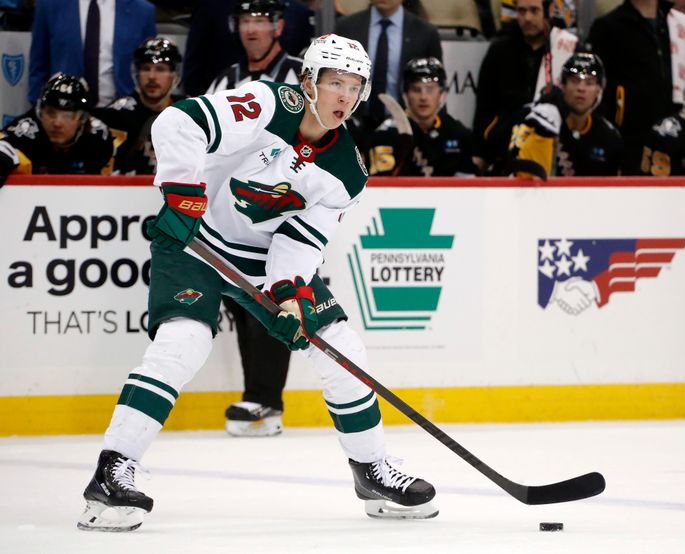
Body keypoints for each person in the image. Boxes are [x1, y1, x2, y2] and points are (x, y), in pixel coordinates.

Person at [76, 33, 438, 533]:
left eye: (355, 86)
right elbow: (179, 122)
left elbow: (302, 239)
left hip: (260, 259)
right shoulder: (266, 102)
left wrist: (288, 294)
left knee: (341, 347)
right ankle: (113, 472)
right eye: (335, 82)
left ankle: (371, 470)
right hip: (194, 238)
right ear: (309, 81)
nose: (344, 97)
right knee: (185, 341)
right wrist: (182, 192)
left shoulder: (348, 172)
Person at [205, 0, 301, 437]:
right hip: (232, 209)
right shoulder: (226, 79)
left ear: (279, 26)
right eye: (245, 20)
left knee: (270, 297)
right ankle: (259, 397)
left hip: (281, 204)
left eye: (261, 20)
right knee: (242, 299)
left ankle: (267, 400)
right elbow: (205, 136)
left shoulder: (301, 74)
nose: (252, 29)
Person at [587, 0, 685, 174]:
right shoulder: (607, 27)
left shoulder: (679, 23)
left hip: (673, 142)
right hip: (628, 143)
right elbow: (596, 92)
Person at [472, 0, 577, 175]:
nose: (527, 18)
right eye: (521, 11)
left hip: (555, 156)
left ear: (549, 10)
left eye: (534, 10)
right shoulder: (498, 51)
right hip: (504, 155)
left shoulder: (567, 48)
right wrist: (479, 154)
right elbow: (484, 108)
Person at [507, 52, 624, 177]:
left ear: (599, 90)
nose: (581, 88)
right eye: (575, 81)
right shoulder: (533, 116)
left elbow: (613, 190)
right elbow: (515, 170)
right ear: (562, 85)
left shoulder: (610, 136)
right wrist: (541, 132)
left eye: (589, 82)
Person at [334, 0, 443, 134]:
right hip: (353, 122)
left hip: (404, 127)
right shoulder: (347, 27)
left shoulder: (425, 32)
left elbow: (438, 82)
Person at [27, 0, 156, 108]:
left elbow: (148, 67)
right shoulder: (50, 5)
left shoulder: (143, 11)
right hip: (64, 115)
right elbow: (39, 66)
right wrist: (39, 107)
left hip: (122, 114)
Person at [368, 57, 477, 177]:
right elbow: (382, 187)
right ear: (405, 94)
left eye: (430, 89)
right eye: (416, 89)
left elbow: (468, 183)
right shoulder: (387, 133)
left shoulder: (457, 133)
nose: (423, 97)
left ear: (443, 94)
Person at [0, 73, 114, 184]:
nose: (57, 123)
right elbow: (3, 147)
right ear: (40, 112)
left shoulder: (98, 137)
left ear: (82, 119)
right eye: (50, 113)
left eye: (67, 116)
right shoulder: (26, 131)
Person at [95, 37, 185, 175]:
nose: (152, 76)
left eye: (160, 69)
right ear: (136, 74)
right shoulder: (116, 115)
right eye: (146, 69)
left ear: (175, 75)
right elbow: (107, 174)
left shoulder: (188, 112)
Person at [207, 0, 303, 94]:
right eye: (245, 21)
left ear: (278, 27)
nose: (250, 30)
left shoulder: (303, 73)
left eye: (259, 21)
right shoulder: (223, 80)